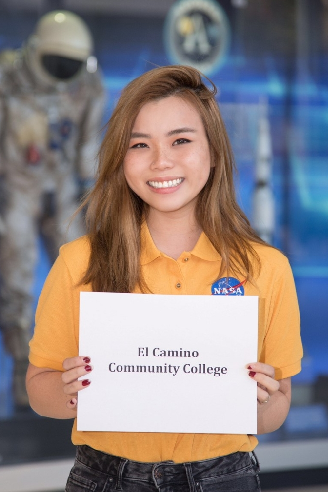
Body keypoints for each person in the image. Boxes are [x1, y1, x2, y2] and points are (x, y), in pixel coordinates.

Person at [26, 65, 302, 491]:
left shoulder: (266, 268)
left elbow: (272, 412)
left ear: (214, 149)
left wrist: (259, 401)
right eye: (140, 144)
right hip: (107, 476)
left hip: (223, 476)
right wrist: (70, 390)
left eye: (181, 140)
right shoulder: (80, 262)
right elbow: (39, 388)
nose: (161, 161)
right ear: (121, 156)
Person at [0, 10, 105, 408]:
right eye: (57, 62)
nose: (64, 71)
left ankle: (82, 369)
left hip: (62, 190)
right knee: (16, 279)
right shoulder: (7, 80)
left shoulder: (87, 86)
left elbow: (88, 151)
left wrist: (94, 201)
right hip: (17, 188)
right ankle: (20, 370)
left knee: (83, 277)